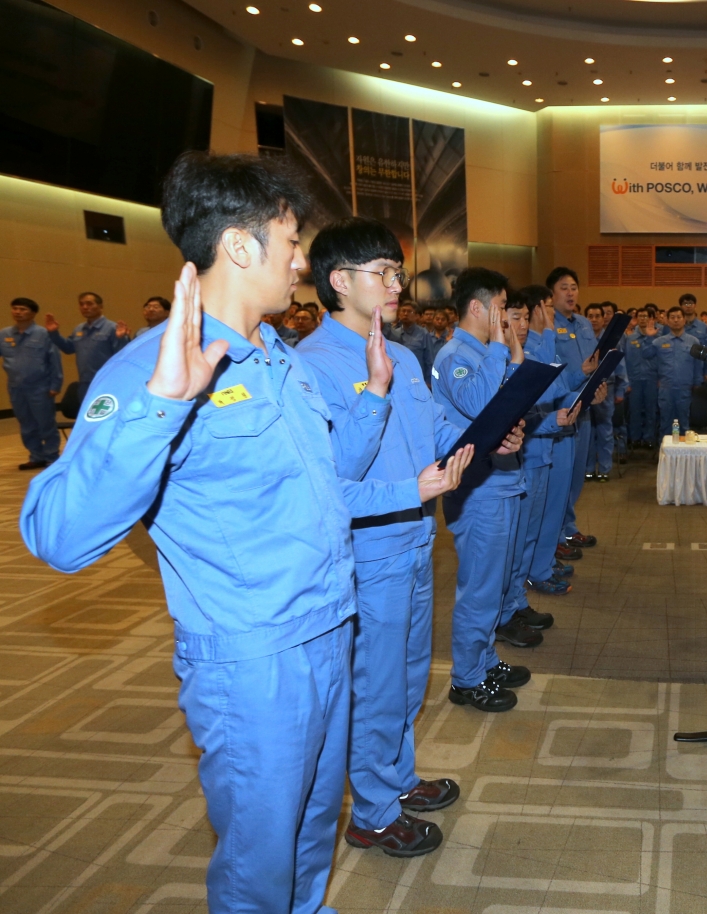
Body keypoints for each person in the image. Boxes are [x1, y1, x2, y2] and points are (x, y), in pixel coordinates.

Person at [21, 150, 458, 914]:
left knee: (311, 835)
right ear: (239, 245)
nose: (301, 263)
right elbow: (56, 534)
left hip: (329, 626)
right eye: (290, 243)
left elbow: (330, 484)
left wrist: (374, 399)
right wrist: (162, 404)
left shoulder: (275, 358)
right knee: (260, 863)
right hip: (255, 658)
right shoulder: (153, 367)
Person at [297, 216, 476, 857]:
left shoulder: (401, 355)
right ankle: (372, 812)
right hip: (368, 553)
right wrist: (374, 396)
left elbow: (433, 436)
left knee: (407, 674)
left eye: (399, 273)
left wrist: (484, 439)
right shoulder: (310, 367)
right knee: (375, 685)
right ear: (340, 281)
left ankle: (396, 778)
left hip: (416, 541)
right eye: (385, 273)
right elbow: (332, 480)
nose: (399, 285)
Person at [433, 267, 532, 712]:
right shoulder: (455, 354)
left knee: (494, 585)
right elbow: (478, 403)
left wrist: (516, 430)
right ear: (478, 307)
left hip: (500, 479)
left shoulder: (485, 352)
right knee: (479, 588)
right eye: (500, 306)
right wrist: (498, 348)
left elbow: (501, 410)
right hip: (477, 489)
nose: (506, 315)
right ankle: (467, 678)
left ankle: (485, 660)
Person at [497, 290, 581, 631]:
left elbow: (555, 386)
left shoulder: (522, 351)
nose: (522, 324)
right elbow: (550, 389)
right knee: (515, 541)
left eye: (524, 317)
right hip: (522, 457)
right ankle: (508, 608)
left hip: (536, 448)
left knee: (529, 533)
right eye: (515, 317)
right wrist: (546, 333)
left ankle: (517, 600)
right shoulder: (508, 355)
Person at [548, 267, 600, 551]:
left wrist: (600, 387)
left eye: (574, 287)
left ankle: (568, 527)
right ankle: (554, 536)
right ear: (551, 293)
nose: (570, 293)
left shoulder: (583, 323)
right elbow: (554, 376)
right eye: (564, 287)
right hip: (561, 412)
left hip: (585, 409)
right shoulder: (547, 327)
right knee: (560, 476)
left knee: (577, 473)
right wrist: (582, 374)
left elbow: (596, 364)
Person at [2, 297, 63, 470]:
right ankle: (36, 456)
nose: (18, 312)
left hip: (40, 387)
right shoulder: (4, 334)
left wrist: (55, 385)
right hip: (16, 388)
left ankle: (52, 456)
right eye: (15, 308)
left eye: (23, 309)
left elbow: (54, 361)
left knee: (45, 424)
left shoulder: (43, 334)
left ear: (33, 313)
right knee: (26, 424)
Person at [45, 291, 130, 391]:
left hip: (106, 381)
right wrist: (54, 333)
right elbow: (68, 348)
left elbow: (123, 354)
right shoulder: (78, 329)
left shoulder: (113, 328)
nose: (85, 307)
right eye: (81, 304)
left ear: (101, 306)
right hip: (84, 382)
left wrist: (121, 339)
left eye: (89, 304)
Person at [583, 303, 627, 480]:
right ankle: (588, 468)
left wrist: (620, 391)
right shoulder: (582, 339)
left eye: (597, 316)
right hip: (585, 386)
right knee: (587, 430)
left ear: (603, 319)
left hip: (606, 387)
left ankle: (604, 469)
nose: (594, 320)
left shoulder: (612, 340)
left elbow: (621, 367)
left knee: (605, 430)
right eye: (590, 316)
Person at [646, 305, 701, 435]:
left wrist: (697, 383)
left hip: (685, 388)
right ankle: (666, 446)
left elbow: (698, 364)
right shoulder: (659, 341)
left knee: (683, 422)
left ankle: (683, 447)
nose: (676, 320)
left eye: (679, 317)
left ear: (684, 320)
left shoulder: (693, 341)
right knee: (666, 422)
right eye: (672, 317)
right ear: (667, 321)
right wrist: (649, 337)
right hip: (666, 388)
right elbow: (646, 354)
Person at [623, 306, 659, 447]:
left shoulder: (658, 338)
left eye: (646, 316)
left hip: (652, 379)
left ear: (651, 319)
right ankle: (635, 437)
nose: (643, 319)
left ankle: (649, 438)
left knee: (651, 410)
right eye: (640, 316)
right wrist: (626, 381)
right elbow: (625, 360)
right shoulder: (630, 338)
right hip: (634, 380)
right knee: (634, 410)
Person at [387, 299, 432, 375]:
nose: (405, 314)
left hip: (417, 374)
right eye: (403, 311)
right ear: (399, 314)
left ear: (416, 316)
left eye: (409, 312)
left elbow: (429, 360)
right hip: (398, 374)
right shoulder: (394, 333)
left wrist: (428, 379)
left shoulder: (424, 333)